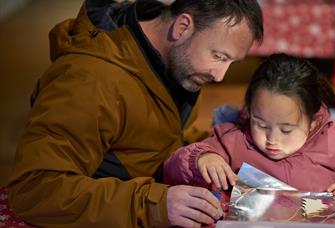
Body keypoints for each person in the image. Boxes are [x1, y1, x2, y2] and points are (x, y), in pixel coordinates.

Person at [6, 0, 263, 227]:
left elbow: (158, 134)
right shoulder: (89, 81)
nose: (220, 76)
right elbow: (35, 189)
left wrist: (207, 153)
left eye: (231, 62)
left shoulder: (173, 61)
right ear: (182, 26)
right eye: (218, 56)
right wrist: (154, 205)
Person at [164, 53, 335, 197]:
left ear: (313, 121)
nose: (272, 140)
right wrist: (200, 158)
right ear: (249, 112)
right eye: (261, 124)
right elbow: (173, 170)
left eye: (286, 130)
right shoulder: (233, 138)